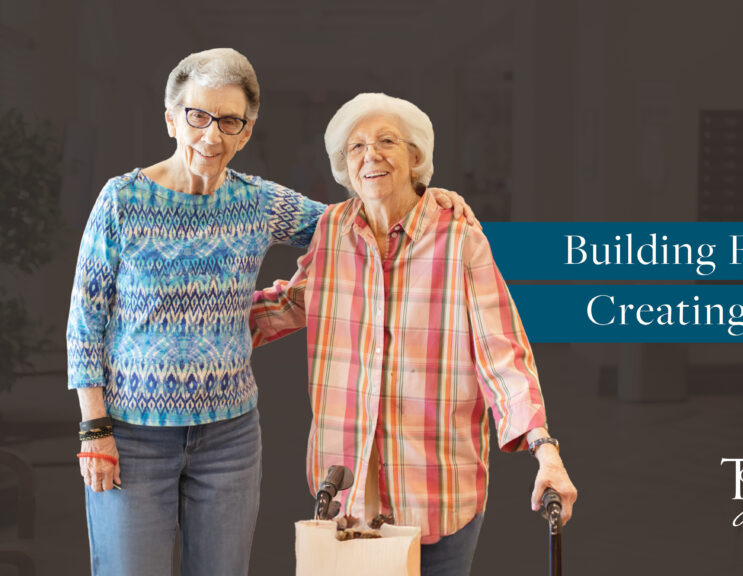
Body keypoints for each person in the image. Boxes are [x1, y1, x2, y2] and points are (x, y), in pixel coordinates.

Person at [66, 49, 475, 576]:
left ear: (246, 132)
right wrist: (93, 429)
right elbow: (86, 320)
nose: (211, 136)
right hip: (131, 434)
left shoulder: (257, 202)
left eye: (229, 121)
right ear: (172, 119)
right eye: (198, 116)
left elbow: (351, 224)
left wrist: (423, 196)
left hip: (228, 440)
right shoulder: (122, 201)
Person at [250, 92, 578, 576]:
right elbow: (293, 302)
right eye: (356, 147)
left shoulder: (460, 237)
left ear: (415, 157)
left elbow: (501, 354)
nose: (371, 155)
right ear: (345, 164)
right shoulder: (332, 231)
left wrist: (544, 449)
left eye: (386, 141)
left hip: (439, 489)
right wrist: (192, 319)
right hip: (348, 487)